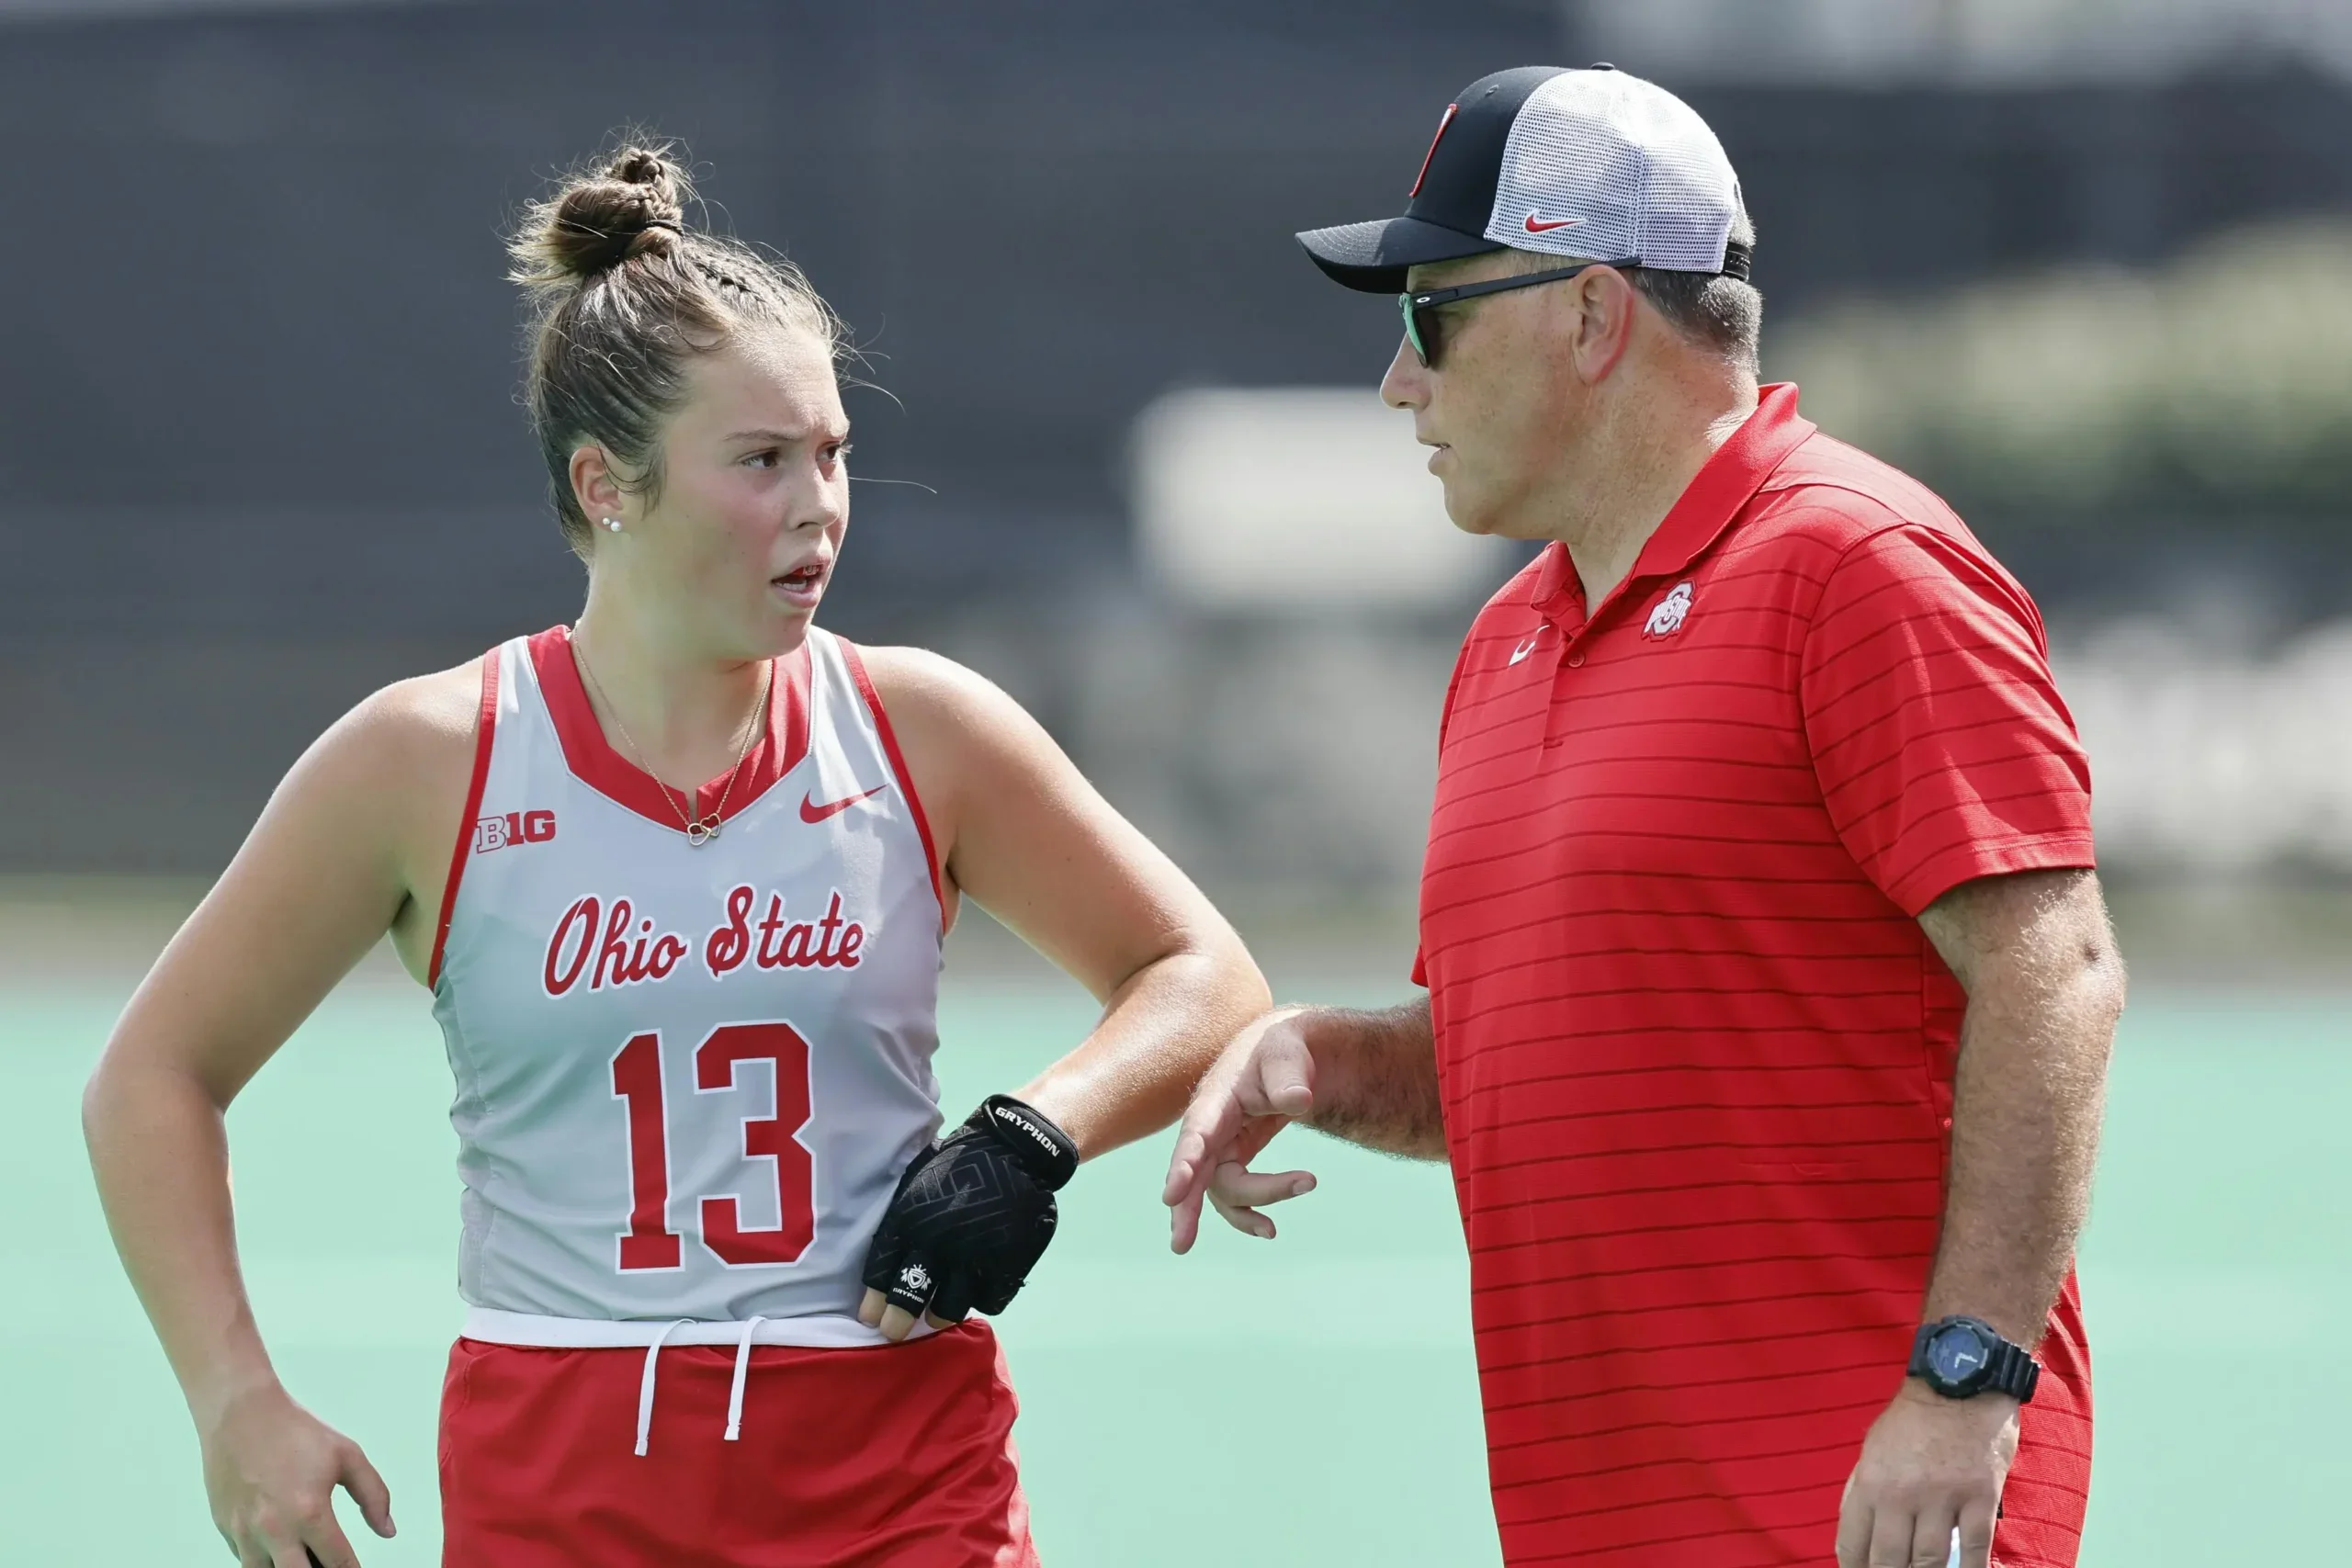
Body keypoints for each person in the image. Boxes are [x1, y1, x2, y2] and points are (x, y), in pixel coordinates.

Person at [83, 142, 1270, 1568]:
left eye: (833, 453)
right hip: (565, 1479)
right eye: (762, 461)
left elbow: (1202, 974)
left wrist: (1031, 1135)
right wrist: (234, 1404)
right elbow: (150, 1081)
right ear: (607, 485)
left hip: (900, 1476)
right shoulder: (430, 757)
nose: (820, 505)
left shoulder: (918, 727)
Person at [1162, 66, 2124, 1568]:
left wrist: (1968, 1373)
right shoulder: (1506, 642)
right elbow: (1555, 1055)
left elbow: (2054, 970)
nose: (1397, 382)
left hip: (1871, 1509)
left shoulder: (1857, 564)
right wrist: (1331, 1059)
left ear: (1593, 316)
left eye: (1431, 313)